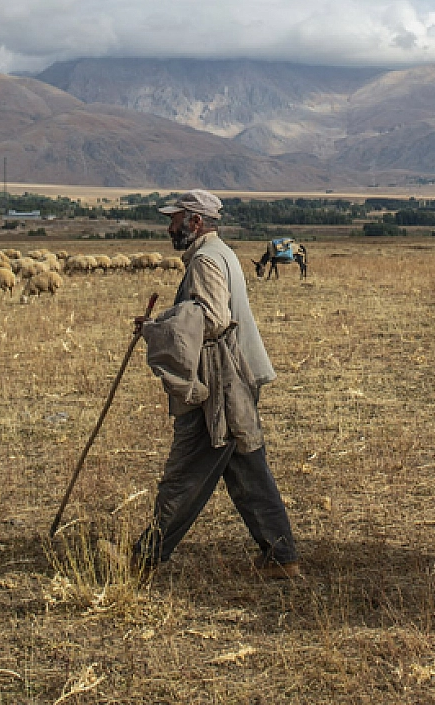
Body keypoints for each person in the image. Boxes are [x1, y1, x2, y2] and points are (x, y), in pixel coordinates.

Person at [130, 189, 301, 578]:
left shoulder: (206, 260)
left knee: (188, 470)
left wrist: (158, 329)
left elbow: (212, 319)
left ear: (194, 222)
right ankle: (281, 556)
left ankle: (146, 558)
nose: (169, 225)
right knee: (247, 467)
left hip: (220, 381)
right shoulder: (221, 252)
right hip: (236, 375)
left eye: (174, 218)